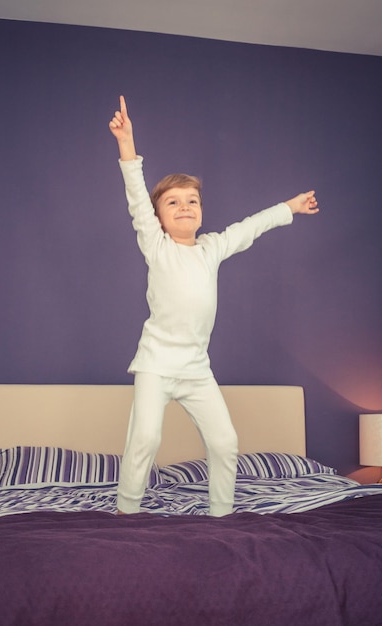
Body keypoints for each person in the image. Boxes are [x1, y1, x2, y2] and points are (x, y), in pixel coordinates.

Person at [109, 95, 319, 516]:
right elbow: (136, 195)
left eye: (192, 201)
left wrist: (289, 207)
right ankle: (126, 511)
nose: (184, 206)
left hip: (197, 369)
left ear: (201, 213)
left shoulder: (212, 248)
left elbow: (250, 228)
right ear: (159, 217)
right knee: (145, 439)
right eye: (173, 202)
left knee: (225, 443)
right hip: (155, 363)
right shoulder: (156, 245)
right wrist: (127, 145)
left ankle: (221, 515)